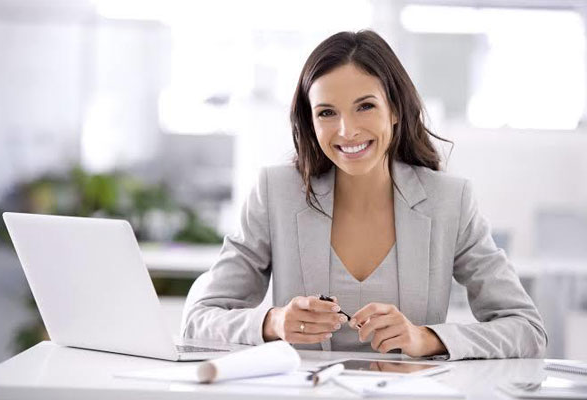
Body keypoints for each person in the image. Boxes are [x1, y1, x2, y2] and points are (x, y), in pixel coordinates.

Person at [181, 30, 547, 360]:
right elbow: (198, 319)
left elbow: (526, 330)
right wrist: (273, 323)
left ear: (395, 111)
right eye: (327, 113)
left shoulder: (449, 201)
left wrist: (427, 338)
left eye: (365, 106)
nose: (347, 130)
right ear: (311, 122)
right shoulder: (276, 193)